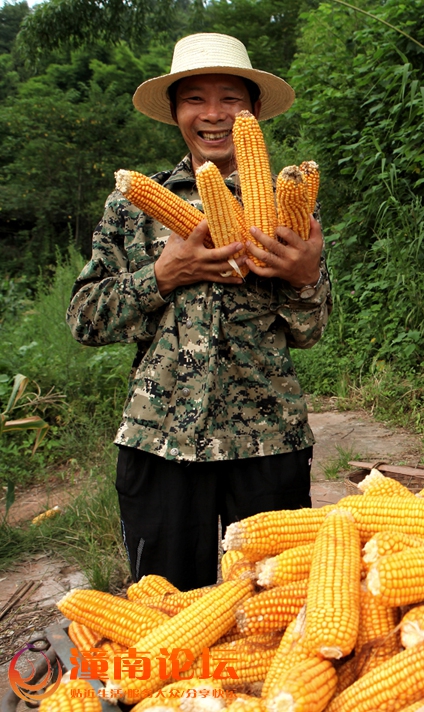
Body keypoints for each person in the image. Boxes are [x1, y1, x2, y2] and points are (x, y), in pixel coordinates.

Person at [66, 33, 331, 591]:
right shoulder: (134, 203)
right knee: (167, 613)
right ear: (174, 113)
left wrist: (305, 279)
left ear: (253, 112)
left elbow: (310, 332)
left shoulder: (290, 204)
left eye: (230, 99)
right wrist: (165, 274)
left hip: (267, 439)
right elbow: (84, 318)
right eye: (195, 99)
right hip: (160, 441)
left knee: (271, 619)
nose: (213, 115)